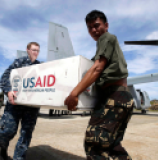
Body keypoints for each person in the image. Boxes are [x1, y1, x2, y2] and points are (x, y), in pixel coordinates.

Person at [64, 10, 134, 160]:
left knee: (94, 145)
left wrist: (74, 94)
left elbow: (96, 68)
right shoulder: (103, 48)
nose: (93, 30)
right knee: (113, 147)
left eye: (96, 25)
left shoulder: (106, 38)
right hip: (121, 97)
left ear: (106, 25)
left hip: (113, 96)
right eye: (89, 28)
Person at [0, 42, 41, 160]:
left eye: (37, 50)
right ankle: (3, 149)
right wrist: (8, 91)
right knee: (7, 131)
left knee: (26, 134)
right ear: (27, 50)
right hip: (15, 104)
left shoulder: (40, 67)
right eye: (33, 50)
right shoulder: (19, 62)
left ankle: (19, 158)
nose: (35, 53)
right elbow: (4, 78)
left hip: (31, 106)